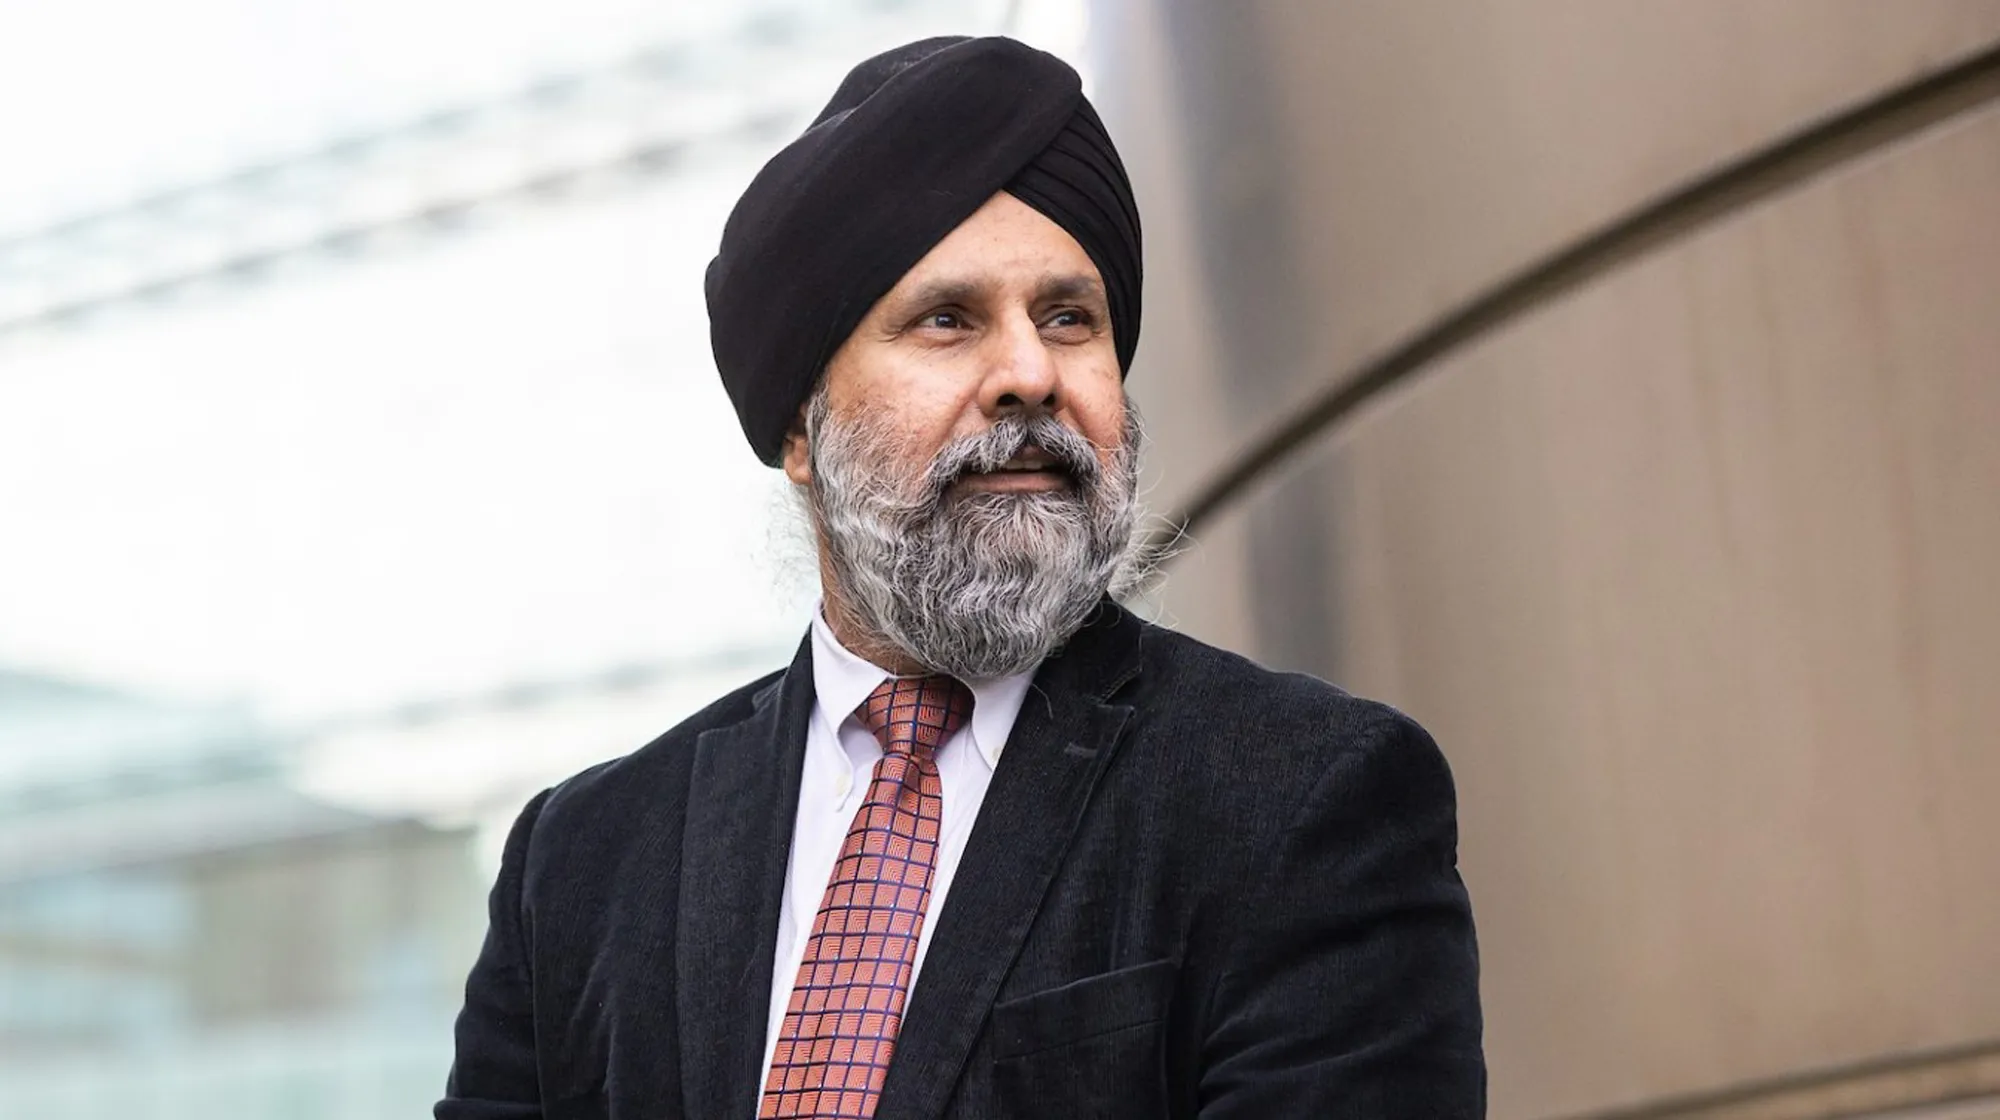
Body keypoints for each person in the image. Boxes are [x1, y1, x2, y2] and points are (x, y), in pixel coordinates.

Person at [437, 35, 1482, 1120]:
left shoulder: (1304, 798)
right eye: (949, 319)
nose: (1028, 373)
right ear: (803, 424)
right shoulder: (583, 861)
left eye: (1069, 319)